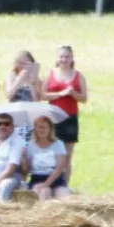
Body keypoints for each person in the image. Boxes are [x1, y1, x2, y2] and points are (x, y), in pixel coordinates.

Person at [43, 45, 87, 175]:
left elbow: (84, 98)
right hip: (53, 118)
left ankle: (65, 185)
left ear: (72, 58)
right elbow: (42, 95)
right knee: (52, 153)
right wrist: (61, 94)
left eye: (67, 56)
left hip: (70, 117)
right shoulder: (50, 73)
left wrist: (73, 93)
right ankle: (52, 182)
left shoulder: (78, 76)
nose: (64, 59)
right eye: (61, 56)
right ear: (57, 58)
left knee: (67, 155)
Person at [24, 115, 69, 199]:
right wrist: (23, 157)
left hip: (56, 179)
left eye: (44, 127)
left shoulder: (58, 144)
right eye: (39, 127)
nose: (42, 130)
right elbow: (27, 169)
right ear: (35, 129)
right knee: (44, 193)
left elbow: (59, 169)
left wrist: (45, 184)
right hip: (37, 179)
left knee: (64, 197)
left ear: (50, 129)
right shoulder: (30, 145)